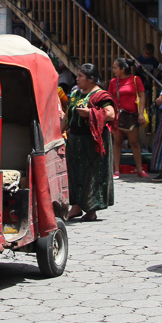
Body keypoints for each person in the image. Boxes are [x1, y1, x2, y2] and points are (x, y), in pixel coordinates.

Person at [64, 63, 115, 222]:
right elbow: (67, 116)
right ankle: (76, 207)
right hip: (75, 140)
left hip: (93, 140)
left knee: (91, 174)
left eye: (80, 76)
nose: (77, 79)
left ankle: (91, 209)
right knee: (74, 173)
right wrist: (59, 132)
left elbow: (111, 115)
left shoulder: (100, 95)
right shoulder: (75, 94)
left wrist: (90, 113)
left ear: (91, 79)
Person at [108, 58, 146, 178]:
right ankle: (116, 170)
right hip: (118, 116)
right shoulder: (113, 82)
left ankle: (140, 169)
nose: (113, 70)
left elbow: (142, 95)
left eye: (115, 67)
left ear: (122, 69)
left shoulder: (135, 80)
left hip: (132, 115)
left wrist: (141, 113)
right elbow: (110, 97)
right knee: (117, 142)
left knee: (134, 142)